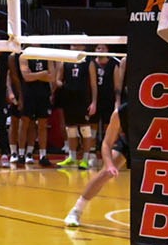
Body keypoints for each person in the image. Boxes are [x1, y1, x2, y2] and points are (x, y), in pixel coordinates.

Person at [64, 54, 129, 227]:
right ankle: (76, 210)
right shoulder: (122, 112)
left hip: (153, 143)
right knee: (105, 173)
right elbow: (106, 143)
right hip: (130, 142)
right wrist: (109, 165)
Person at [54, 53, 97, 168]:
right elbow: (58, 80)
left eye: (78, 44)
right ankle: (72, 158)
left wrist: (94, 102)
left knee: (85, 130)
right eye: (73, 45)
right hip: (69, 99)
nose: (75, 46)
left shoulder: (88, 61)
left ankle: (85, 159)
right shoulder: (65, 60)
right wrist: (60, 84)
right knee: (71, 129)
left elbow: (93, 84)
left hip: (83, 100)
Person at [17, 50, 57, 167]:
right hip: (28, 94)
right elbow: (26, 77)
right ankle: (21, 154)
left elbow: (52, 77)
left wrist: (34, 75)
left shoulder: (47, 55)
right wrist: (44, 73)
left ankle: (43, 156)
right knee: (24, 122)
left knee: (42, 125)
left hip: (43, 94)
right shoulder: (24, 56)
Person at [84, 53, 122, 171]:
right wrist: (93, 102)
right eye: (98, 48)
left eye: (103, 47)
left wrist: (117, 102)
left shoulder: (114, 63)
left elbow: (117, 86)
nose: (100, 50)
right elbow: (93, 84)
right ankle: (92, 155)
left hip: (109, 99)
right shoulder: (92, 63)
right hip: (96, 99)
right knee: (93, 128)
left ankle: (109, 157)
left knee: (108, 128)